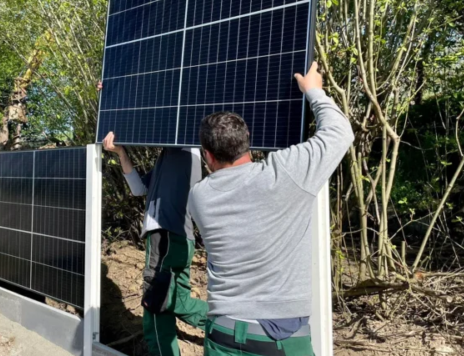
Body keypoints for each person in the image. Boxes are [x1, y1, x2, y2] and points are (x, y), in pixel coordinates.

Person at [188, 62, 354, 356]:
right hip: (278, 339)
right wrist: (314, 91)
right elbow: (340, 133)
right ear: (247, 144)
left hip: (221, 333)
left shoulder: (199, 197)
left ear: (208, 156)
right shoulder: (284, 175)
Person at [98, 81, 208, 356]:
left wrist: (116, 98)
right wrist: (121, 152)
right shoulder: (166, 156)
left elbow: (156, 111)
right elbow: (139, 188)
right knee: (178, 300)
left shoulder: (186, 148)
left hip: (166, 237)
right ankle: (230, 325)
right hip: (174, 239)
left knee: (155, 303)